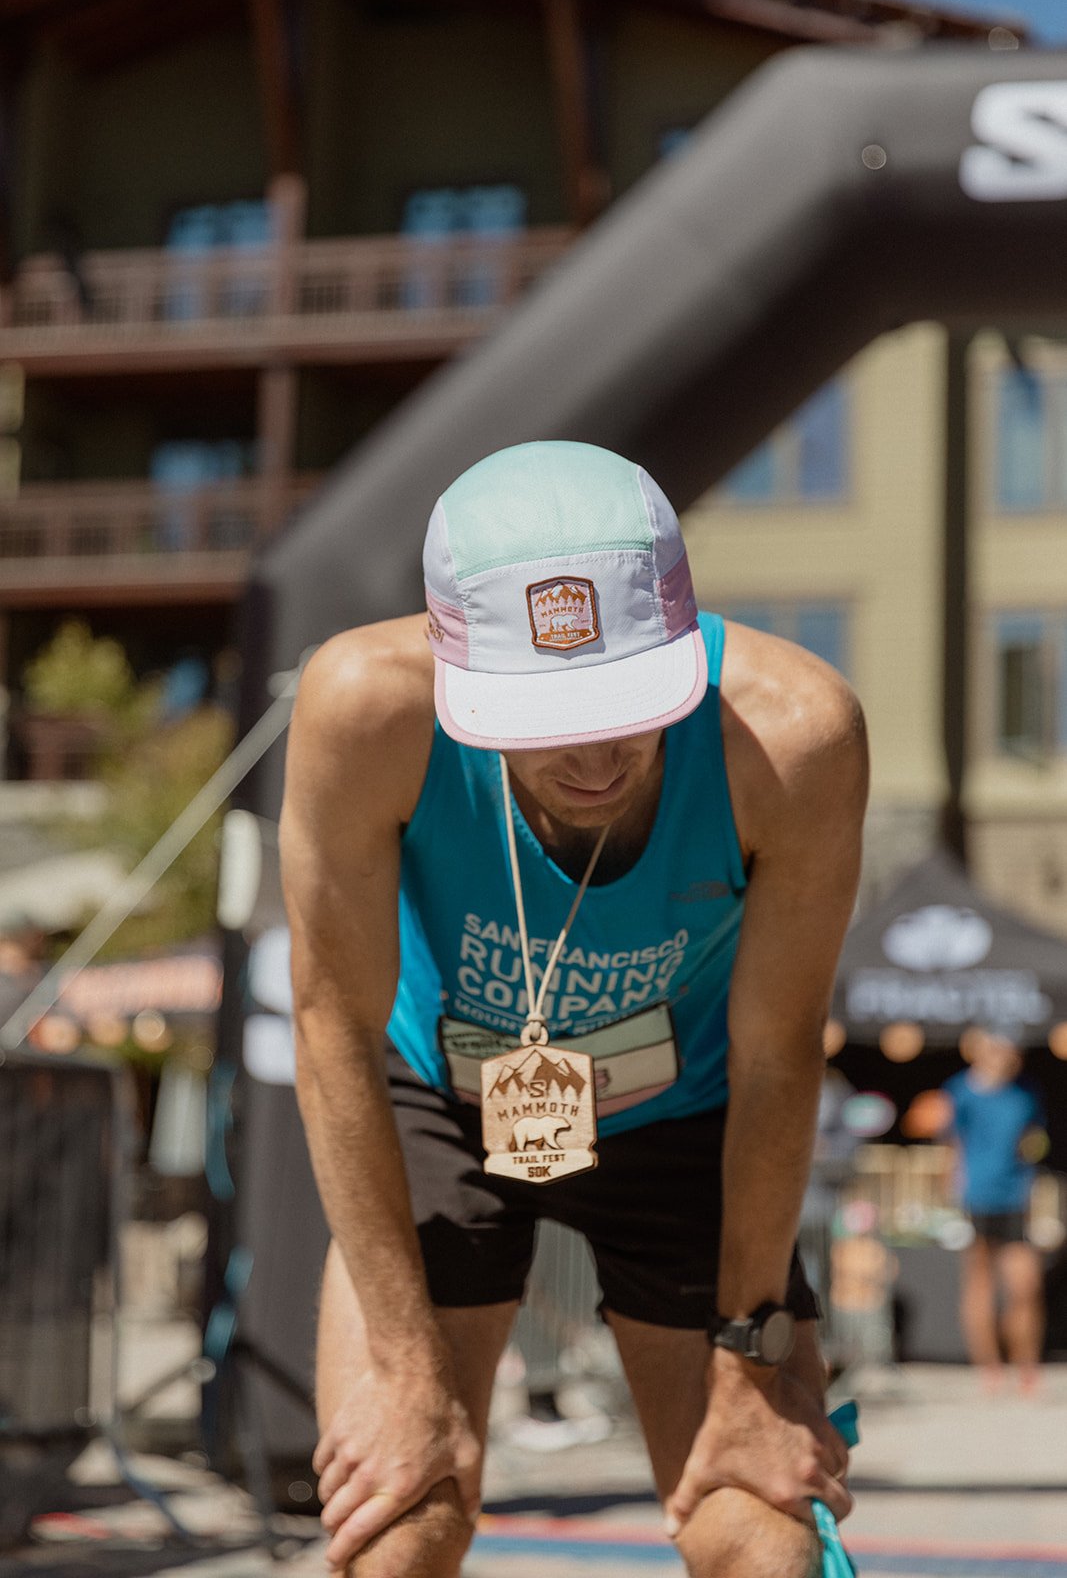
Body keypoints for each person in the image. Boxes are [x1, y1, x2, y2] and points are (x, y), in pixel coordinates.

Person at [280, 440, 868, 1578]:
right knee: (399, 1519)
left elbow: (779, 1051)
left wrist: (751, 1359)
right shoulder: (363, 706)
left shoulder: (791, 731)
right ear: (453, 667)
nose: (594, 755)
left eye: (623, 705)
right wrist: (405, 1370)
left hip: (691, 1108)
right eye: (543, 718)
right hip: (439, 1093)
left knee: (757, 1527)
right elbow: (330, 1025)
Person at [942, 1029, 1047, 1393]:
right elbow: (953, 1144)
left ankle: (1027, 1365)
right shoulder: (961, 1092)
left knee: (1025, 1285)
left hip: (1016, 1196)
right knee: (980, 1281)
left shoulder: (1026, 1094)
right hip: (976, 1197)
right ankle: (989, 1368)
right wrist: (952, 1192)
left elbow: (1032, 1141)